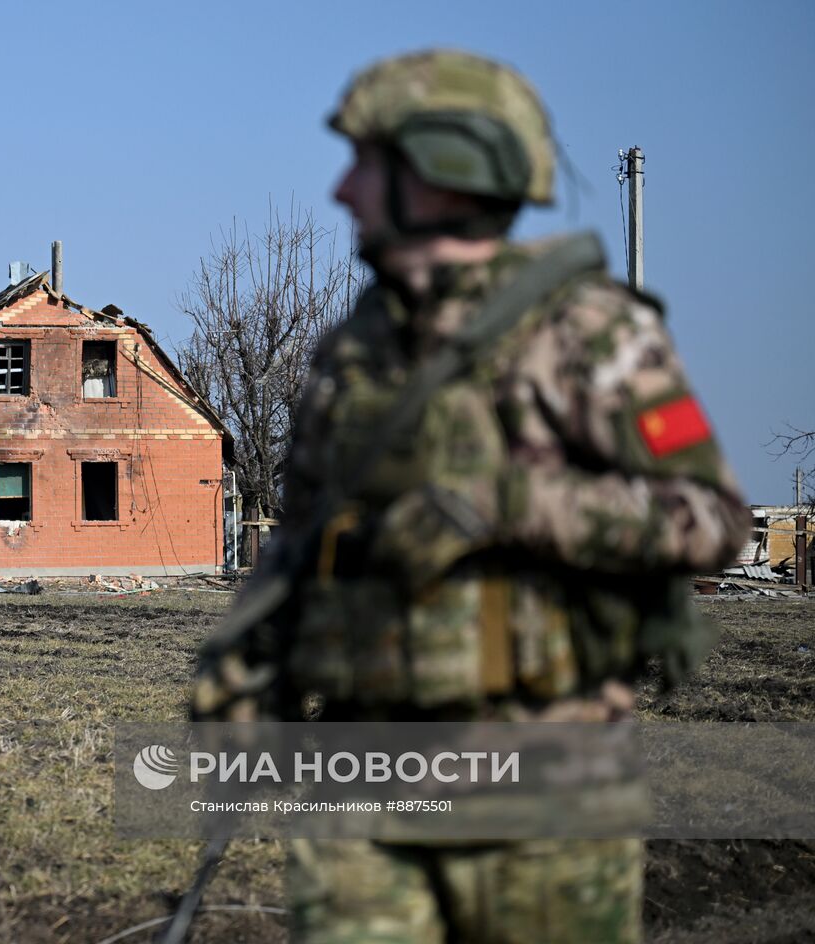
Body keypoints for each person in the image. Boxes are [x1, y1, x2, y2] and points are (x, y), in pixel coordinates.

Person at [190, 49, 750, 943]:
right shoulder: (352, 352)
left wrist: (503, 504)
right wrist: (242, 657)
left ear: (442, 172)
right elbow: (302, 540)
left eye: (365, 165)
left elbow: (712, 519)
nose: (342, 192)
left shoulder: (587, 331)